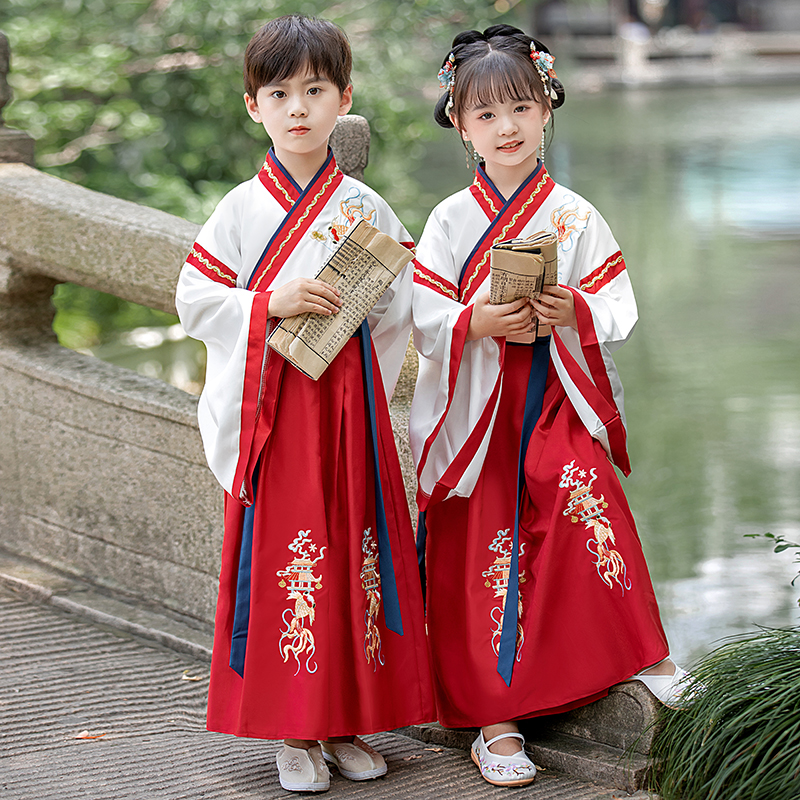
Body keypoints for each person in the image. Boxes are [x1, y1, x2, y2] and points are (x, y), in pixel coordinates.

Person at [409, 24, 686, 788]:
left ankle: (642, 654)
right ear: (460, 124)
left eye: (521, 109)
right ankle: (493, 720)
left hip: (554, 394)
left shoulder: (573, 212)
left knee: (585, 496)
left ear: (547, 110)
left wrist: (573, 309)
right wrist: (475, 319)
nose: (507, 127)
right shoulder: (449, 222)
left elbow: (615, 300)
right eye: (488, 114)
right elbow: (420, 313)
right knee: (484, 550)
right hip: (479, 414)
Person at [175, 15, 433, 794]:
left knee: (356, 556)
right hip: (278, 412)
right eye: (280, 93)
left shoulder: (367, 207)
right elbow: (194, 299)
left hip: (348, 409)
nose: (298, 108)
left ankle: (345, 720)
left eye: (315, 91)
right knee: (292, 559)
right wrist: (270, 301)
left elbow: (399, 310)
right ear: (253, 105)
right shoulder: (242, 209)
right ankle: (292, 729)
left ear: (343, 100)